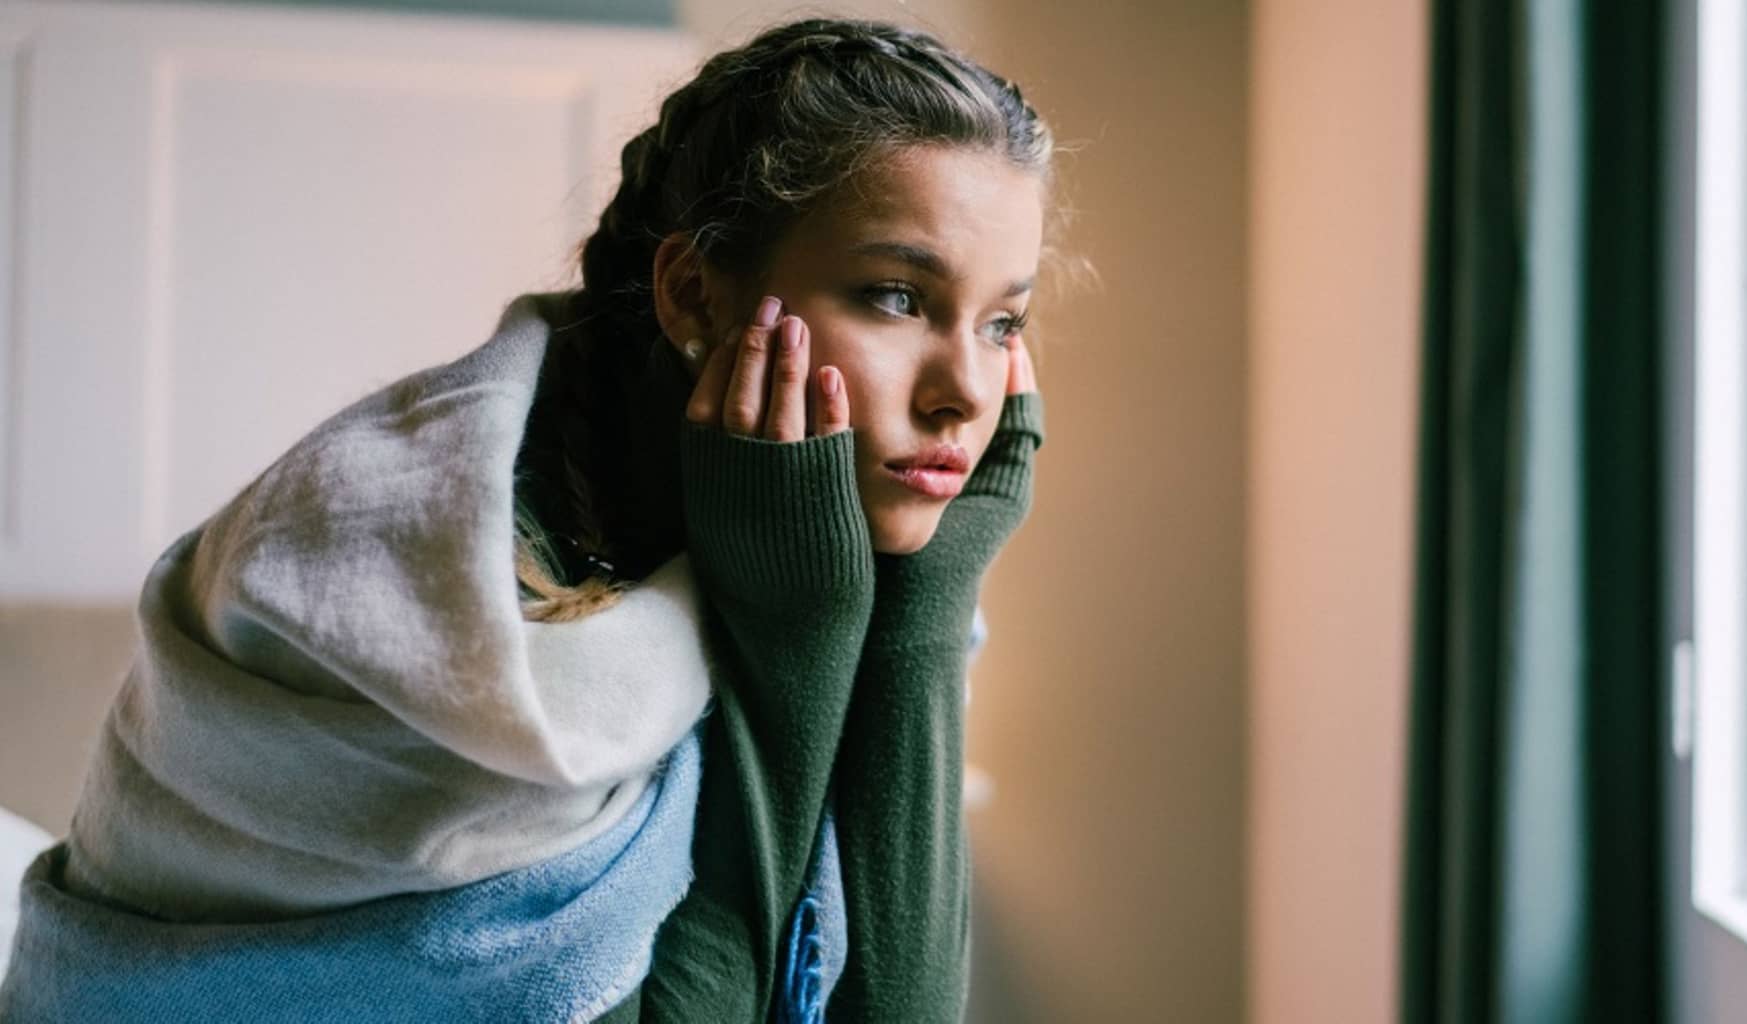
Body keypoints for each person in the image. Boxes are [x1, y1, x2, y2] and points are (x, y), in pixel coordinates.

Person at [0, 18, 1052, 1024]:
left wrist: (924, 600)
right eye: (895, 297)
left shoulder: (834, 546)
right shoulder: (412, 565)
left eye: (1002, 320)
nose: (965, 390)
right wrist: (797, 642)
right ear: (692, 294)